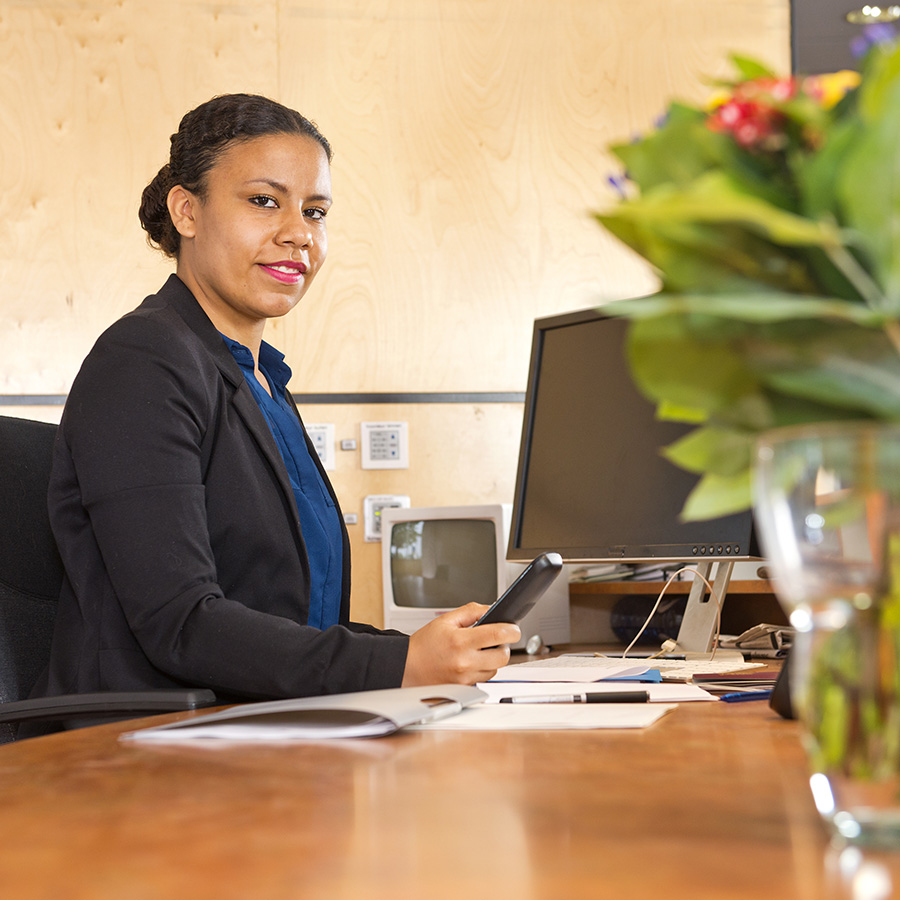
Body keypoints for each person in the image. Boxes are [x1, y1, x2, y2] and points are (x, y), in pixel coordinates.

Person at [32, 93, 519, 705]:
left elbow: (296, 625)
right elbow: (180, 623)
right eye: (264, 201)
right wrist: (399, 662)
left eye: (315, 212)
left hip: (263, 719)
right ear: (187, 210)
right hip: (154, 744)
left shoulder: (263, 381)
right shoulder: (143, 362)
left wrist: (425, 650)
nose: (298, 235)